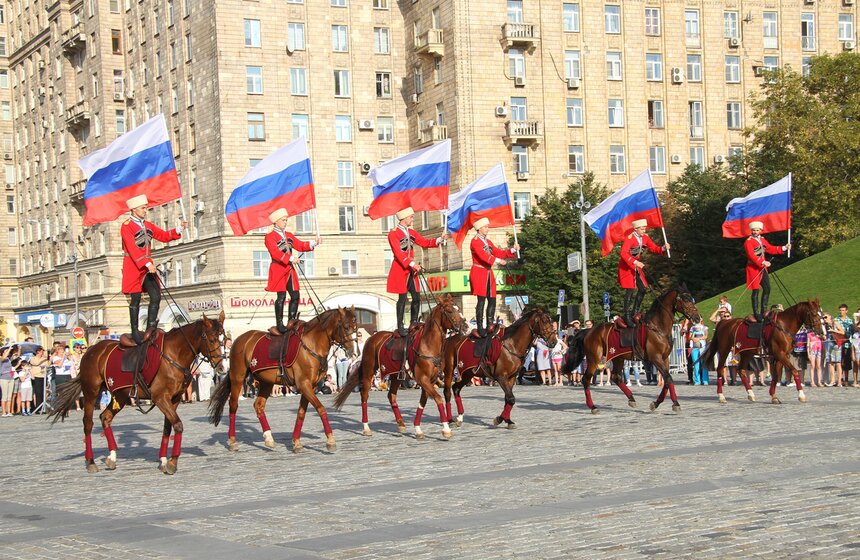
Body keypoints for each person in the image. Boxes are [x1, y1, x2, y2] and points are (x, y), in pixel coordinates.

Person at [121, 194, 187, 343]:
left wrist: (179, 229)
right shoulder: (126, 226)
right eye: (143, 208)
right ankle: (135, 330)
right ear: (133, 209)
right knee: (135, 298)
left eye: (146, 207)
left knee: (156, 295)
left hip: (146, 266)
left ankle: (150, 328)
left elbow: (163, 236)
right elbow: (132, 248)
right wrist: (146, 263)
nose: (145, 210)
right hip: (133, 266)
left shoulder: (148, 225)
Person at [386, 207, 446, 335]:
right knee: (402, 298)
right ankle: (400, 325)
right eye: (411, 217)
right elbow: (399, 253)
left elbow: (424, 242)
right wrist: (412, 264)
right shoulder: (393, 233)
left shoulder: (411, 232)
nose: (412, 219)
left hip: (411, 270)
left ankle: (413, 322)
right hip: (400, 268)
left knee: (416, 297)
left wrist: (439, 240)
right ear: (404, 218)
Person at [264, 208, 321, 334]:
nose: (285, 222)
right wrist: (290, 258)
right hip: (279, 269)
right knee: (281, 296)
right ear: (276, 222)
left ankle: (292, 321)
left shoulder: (288, 235)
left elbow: (300, 245)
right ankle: (279, 323)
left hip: (289, 269)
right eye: (283, 220)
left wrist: (313, 243)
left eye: (286, 220)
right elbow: (275, 253)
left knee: (295, 295)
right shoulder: (270, 237)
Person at [469, 217, 519, 337]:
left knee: (492, 299)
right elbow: (483, 256)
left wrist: (512, 249)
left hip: (488, 273)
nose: (487, 229)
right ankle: (480, 327)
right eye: (485, 227)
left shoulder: (488, 242)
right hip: (479, 272)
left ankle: (490, 325)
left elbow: (499, 252)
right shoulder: (475, 241)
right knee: (481, 301)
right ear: (479, 228)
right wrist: (498, 261)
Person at [618, 219, 670, 326]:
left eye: (644, 228)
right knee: (630, 290)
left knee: (643, 289)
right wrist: (635, 262)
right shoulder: (630, 238)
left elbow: (654, 248)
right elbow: (623, 253)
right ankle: (627, 316)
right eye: (642, 229)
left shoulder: (645, 237)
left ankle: (634, 312)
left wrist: (663, 248)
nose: (644, 230)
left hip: (637, 266)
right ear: (636, 229)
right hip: (627, 266)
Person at [743, 221, 790, 322]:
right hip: (753, 268)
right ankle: (756, 313)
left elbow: (770, 248)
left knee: (767, 288)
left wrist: (784, 247)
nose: (755, 232)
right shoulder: (748, 242)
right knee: (755, 290)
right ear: (751, 230)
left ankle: (764, 310)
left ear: (761, 230)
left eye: (757, 230)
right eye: (754, 230)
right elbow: (752, 255)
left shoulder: (763, 240)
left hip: (763, 268)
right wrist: (763, 262)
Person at [0, 347, 14, 417]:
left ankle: (9, 411)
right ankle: (4, 412)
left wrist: (18, 349)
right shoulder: (1, 359)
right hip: (4, 378)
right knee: (4, 396)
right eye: (5, 351)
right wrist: (8, 350)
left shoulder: (8, 359)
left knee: (9, 396)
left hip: (10, 378)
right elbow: (3, 357)